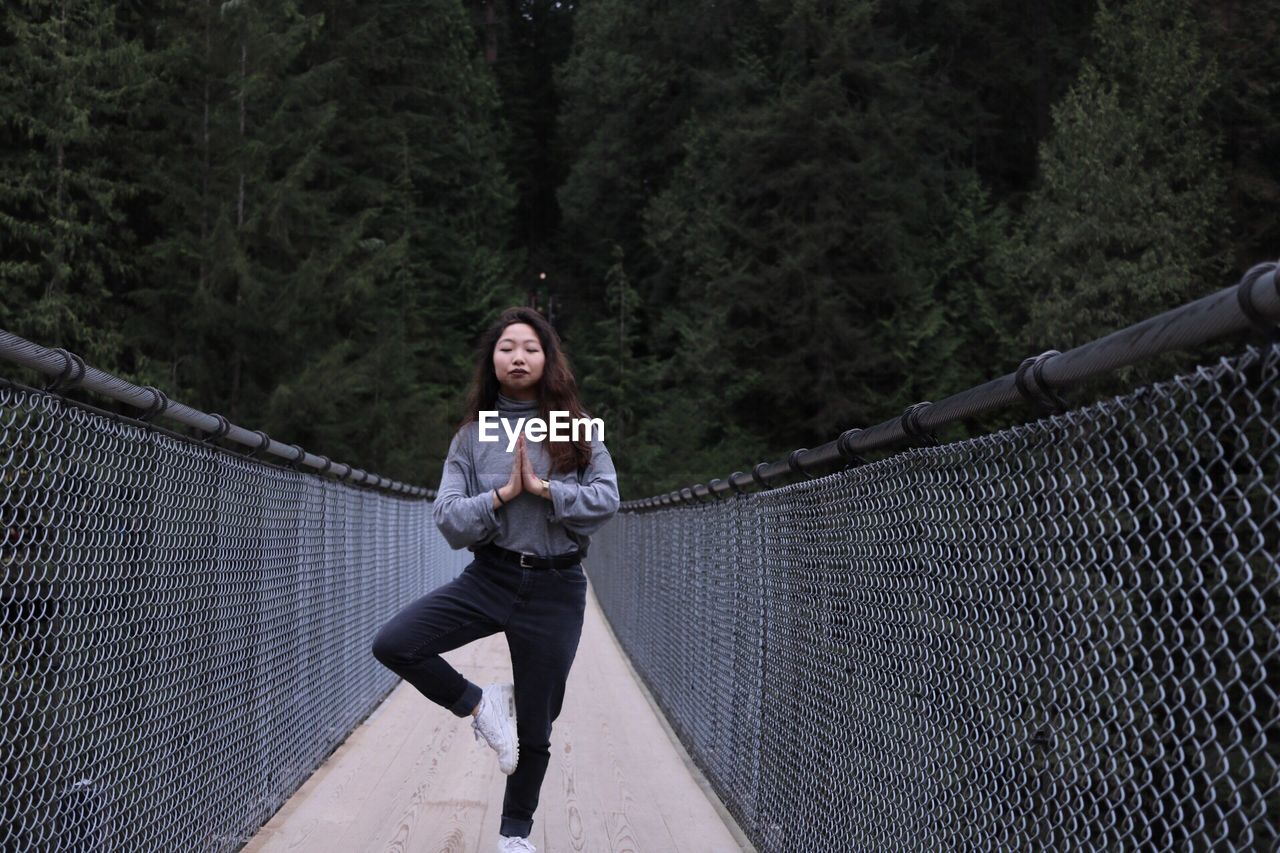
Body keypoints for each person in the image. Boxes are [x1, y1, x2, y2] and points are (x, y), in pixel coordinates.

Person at [371, 306, 620, 853]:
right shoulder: (472, 435)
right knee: (395, 643)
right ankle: (481, 705)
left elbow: (607, 501)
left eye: (530, 347)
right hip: (491, 576)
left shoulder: (577, 429)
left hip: (557, 588)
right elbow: (449, 518)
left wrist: (548, 491)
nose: (518, 357)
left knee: (537, 723)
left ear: (547, 359)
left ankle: (514, 837)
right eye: (507, 347)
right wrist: (504, 495)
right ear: (492, 359)